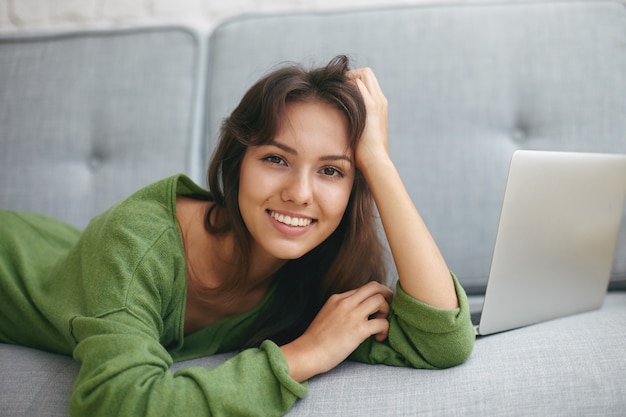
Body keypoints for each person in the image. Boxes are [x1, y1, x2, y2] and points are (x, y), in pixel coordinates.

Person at [0, 55, 475, 417]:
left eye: (332, 170)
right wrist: (300, 356)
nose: (300, 194)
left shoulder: (311, 272)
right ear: (238, 164)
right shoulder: (138, 243)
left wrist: (379, 164)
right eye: (276, 159)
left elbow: (443, 342)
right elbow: (118, 403)